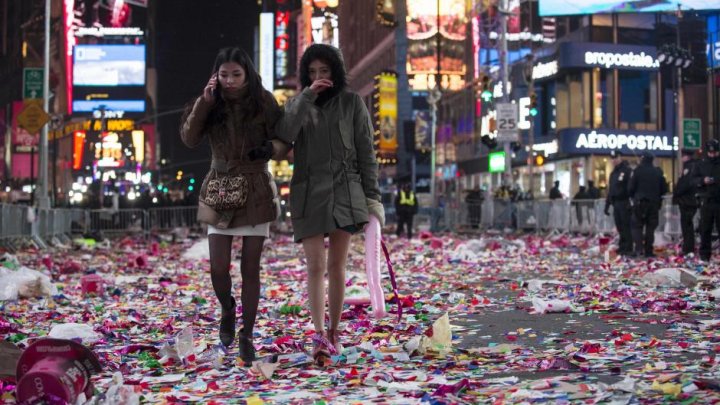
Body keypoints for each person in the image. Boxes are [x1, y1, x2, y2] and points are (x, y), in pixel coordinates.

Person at [180, 47, 289, 364]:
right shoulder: (211, 102)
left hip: (255, 188)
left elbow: (285, 141)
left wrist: (271, 148)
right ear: (216, 75)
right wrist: (205, 102)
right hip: (220, 189)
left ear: (247, 74)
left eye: (236, 74)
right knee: (218, 267)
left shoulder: (264, 101)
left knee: (251, 268)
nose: (229, 81)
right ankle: (228, 310)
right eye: (224, 74)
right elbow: (189, 137)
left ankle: (247, 335)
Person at [275, 44, 383, 366]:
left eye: (324, 71)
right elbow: (284, 134)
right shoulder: (298, 104)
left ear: (335, 71)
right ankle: (319, 332)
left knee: (338, 266)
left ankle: (334, 331)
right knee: (314, 266)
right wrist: (306, 96)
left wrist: (372, 197)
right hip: (308, 192)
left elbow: (367, 153)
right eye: (312, 72)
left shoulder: (352, 103)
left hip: (346, 191)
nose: (319, 77)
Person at [628, 152, 667, 258]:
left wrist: (633, 197)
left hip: (640, 203)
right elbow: (664, 189)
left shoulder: (637, 171)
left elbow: (630, 188)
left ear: (642, 159)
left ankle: (639, 249)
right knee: (650, 228)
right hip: (654, 204)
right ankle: (648, 251)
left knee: (636, 226)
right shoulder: (657, 172)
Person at [694, 139, 720, 261]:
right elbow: (693, 180)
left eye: (715, 153)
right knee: (705, 229)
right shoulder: (701, 164)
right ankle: (704, 255)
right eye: (710, 153)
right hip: (707, 200)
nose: (712, 155)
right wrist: (702, 181)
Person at [605, 150, 634, 256]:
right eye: (612, 158)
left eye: (616, 158)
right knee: (619, 226)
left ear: (620, 157)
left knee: (626, 225)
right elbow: (611, 190)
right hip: (616, 203)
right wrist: (607, 204)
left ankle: (628, 247)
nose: (614, 160)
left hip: (624, 202)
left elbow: (630, 188)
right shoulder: (613, 173)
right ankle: (622, 246)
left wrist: (630, 202)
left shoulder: (627, 171)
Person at [673, 149, 700, 256]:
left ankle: (688, 248)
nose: (682, 158)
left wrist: (677, 192)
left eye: (683, 156)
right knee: (687, 225)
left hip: (687, 201)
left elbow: (685, 184)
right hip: (689, 200)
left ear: (686, 156)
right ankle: (688, 247)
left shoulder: (690, 167)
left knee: (687, 225)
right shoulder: (692, 166)